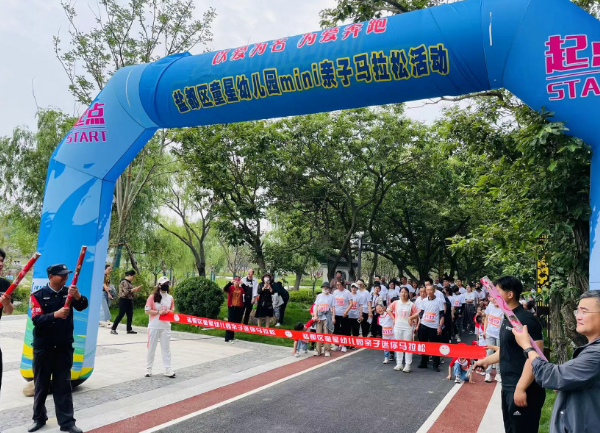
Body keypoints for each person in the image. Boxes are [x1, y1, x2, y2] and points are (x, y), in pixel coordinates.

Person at [511, 291, 600, 433]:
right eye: (577, 311)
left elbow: (553, 376)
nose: (578, 316)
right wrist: (565, 381)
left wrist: (527, 347)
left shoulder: (596, 353)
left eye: (584, 311)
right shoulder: (591, 350)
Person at [474, 276, 545, 433]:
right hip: (508, 386)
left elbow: (536, 357)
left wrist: (521, 388)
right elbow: (507, 350)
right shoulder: (508, 317)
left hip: (523, 388)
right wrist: (486, 361)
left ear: (510, 294)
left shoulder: (526, 320)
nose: (492, 296)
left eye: (497, 291)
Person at [28, 263, 88, 433]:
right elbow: (37, 320)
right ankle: (39, 418)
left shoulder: (69, 293)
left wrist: (77, 295)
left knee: (63, 385)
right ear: (51, 277)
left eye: (66, 275)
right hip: (43, 348)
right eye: (61, 275)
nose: (65, 278)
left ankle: (67, 422)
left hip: (63, 347)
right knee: (41, 385)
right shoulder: (38, 295)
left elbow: (82, 305)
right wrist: (56, 314)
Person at [145, 276, 175, 378]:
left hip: (166, 326)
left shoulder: (170, 298)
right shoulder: (152, 297)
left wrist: (169, 312)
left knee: (166, 349)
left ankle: (168, 369)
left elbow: (172, 310)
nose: (166, 286)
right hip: (154, 326)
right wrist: (158, 312)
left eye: (167, 284)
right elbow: (147, 311)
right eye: (164, 284)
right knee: (151, 348)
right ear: (159, 285)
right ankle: (148, 368)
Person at [388, 286, 418, 372]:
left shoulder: (411, 304)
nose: (403, 294)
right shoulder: (396, 303)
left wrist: (411, 318)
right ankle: (399, 364)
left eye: (405, 292)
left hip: (408, 327)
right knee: (399, 345)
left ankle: (408, 365)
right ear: (399, 293)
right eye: (402, 292)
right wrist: (393, 318)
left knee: (408, 346)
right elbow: (388, 309)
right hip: (398, 326)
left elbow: (417, 313)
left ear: (408, 294)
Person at [417, 282, 445, 372]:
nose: (429, 292)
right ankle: (424, 362)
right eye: (427, 290)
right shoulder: (424, 301)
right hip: (424, 325)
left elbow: (442, 315)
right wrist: (419, 325)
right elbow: (421, 313)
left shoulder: (439, 301)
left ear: (434, 291)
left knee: (434, 346)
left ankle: (435, 364)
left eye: (431, 290)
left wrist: (440, 326)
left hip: (434, 327)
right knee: (424, 345)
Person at [0, 247, 14, 396]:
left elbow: (8, 311)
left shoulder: (4, 285)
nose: (0, 264)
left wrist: (7, 303)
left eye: (1, 260)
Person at [111, 270, 142, 335]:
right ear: (129, 275)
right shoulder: (124, 282)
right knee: (121, 314)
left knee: (130, 314)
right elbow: (126, 292)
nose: (133, 278)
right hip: (123, 300)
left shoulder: (129, 282)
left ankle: (129, 329)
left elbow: (129, 291)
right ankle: (113, 328)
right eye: (133, 276)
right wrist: (133, 290)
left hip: (129, 300)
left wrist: (135, 290)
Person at [484, 297, 503, 383]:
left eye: (496, 299)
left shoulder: (503, 308)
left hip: (499, 335)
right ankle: (488, 373)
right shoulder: (490, 305)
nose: (494, 300)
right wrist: (484, 331)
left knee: (499, 353)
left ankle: (498, 373)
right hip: (489, 333)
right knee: (489, 353)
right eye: (493, 298)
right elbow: (486, 318)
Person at [313, 282, 334, 357]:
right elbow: (316, 306)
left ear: (329, 289)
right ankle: (318, 350)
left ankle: (327, 350)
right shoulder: (319, 296)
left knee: (326, 334)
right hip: (319, 316)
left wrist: (333, 317)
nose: (325, 289)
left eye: (326, 287)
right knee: (318, 333)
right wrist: (315, 315)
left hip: (327, 316)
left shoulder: (331, 297)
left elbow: (333, 307)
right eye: (323, 287)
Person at [223, 277, 246, 343]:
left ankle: (232, 336)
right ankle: (227, 337)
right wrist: (230, 283)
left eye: (238, 281)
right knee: (230, 321)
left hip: (239, 306)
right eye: (235, 281)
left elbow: (246, 290)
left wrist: (243, 284)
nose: (236, 283)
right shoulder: (231, 288)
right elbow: (225, 289)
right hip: (232, 306)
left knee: (235, 322)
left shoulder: (241, 289)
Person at [332, 280, 352, 352]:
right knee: (336, 329)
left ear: (343, 285)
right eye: (337, 285)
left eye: (340, 285)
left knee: (344, 329)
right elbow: (333, 303)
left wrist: (346, 311)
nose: (338, 286)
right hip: (336, 313)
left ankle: (344, 345)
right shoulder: (335, 292)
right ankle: (336, 344)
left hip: (344, 314)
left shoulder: (347, 292)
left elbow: (351, 303)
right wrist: (333, 314)